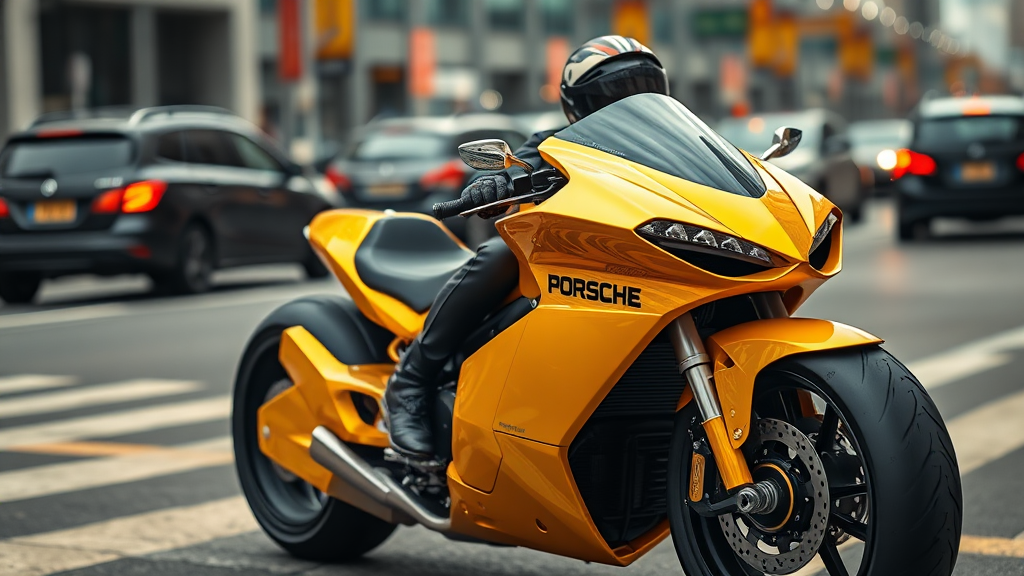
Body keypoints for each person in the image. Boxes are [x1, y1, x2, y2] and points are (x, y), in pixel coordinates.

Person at [384, 35, 671, 458]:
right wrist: (494, 183)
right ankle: (411, 380)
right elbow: (523, 164)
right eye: (614, 95)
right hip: (569, 253)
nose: (631, 104)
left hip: (637, 260)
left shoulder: (669, 151)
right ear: (580, 105)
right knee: (502, 253)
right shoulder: (557, 142)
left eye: (644, 91)